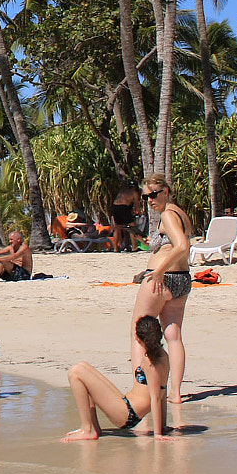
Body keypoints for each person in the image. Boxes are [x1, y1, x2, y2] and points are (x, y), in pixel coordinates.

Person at [131, 174, 191, 423]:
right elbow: (169, 244)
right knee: (173, 335)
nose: (149, 200)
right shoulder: (179, 213)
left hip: (162, 279)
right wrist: (145, 243)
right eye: (146, 196)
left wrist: (157, 271)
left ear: (166, 191)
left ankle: (140, 389)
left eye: (153, 194)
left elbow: (182, 245)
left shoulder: (168, 214)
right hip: (182, 280)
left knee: (138, 331)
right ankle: (175, 392)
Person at [61, 316, 173, 441]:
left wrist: (158, 434)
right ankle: (93, 427)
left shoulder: (150, 362)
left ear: (138, 338)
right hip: (126, 405)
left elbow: (156, 397)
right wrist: (162, 426)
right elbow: (163, 389)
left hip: (127, 414)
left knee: (75, 372)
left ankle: (88, 430)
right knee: (83, 367)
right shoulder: (163, 355)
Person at [108, 184, 140, 252]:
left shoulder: (121, 192)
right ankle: (134, 247)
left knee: (117, 228)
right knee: (132, 227)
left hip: (115, 207)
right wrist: (138, 212)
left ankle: (116, 248)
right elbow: (137, 204)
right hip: (124, 208)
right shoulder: (134, 192)